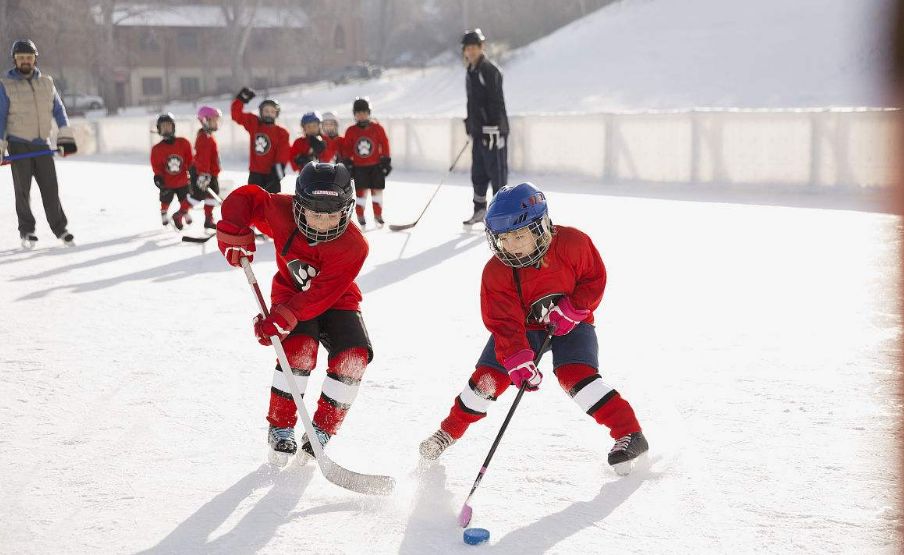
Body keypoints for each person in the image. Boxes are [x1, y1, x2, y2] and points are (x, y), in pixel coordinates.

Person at [419, 182, 649, 475]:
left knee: (575, 376)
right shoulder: (496, 272)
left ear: (540, 227)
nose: (511, 246)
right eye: (503, 238)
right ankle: (447, 432)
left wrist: (575, 307)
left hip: (571, 322)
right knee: (487, 381)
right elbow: (504, 323)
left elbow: (594, 278)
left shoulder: (573, 244)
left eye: (519, 236)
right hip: (523, 328)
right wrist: (516, 359)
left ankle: (629, 433)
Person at [215, 162, 374, 466]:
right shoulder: (281, 211)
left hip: (337, 300)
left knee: (354, 357)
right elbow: (245, 199)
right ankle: (281, 424)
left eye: (332, 215)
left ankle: (322, 430)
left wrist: (283, 319)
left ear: (347, 209)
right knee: (299, 351)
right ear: (299, 205)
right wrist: (233, 232)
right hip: (290, 294)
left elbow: (320, 295)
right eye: (316, 214)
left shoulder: (355, 246)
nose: (324, 223)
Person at [0, 39, 77, 248]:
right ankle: (27, 231)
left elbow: (59, 110)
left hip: (42, 145)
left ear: (35, 59)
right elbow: (1, 118)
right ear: (15, 60)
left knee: (51, 188)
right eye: (21, 58)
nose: (25, 61)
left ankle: (61, 229)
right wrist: (0, 146)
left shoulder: (47, 83)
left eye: (29, 57)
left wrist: (65, 135)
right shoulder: (5, 84)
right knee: (22, 191)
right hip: (18, 144)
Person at [461, 28, 509, 227]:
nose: (470, 51)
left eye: (474, 47)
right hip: (479, 132)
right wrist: (470, 123)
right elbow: (472, 102)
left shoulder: (489, 70)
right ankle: (479, 210)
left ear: (482, 47)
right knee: (478, 172)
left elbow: (496, 102)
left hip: (494, 132)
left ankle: (501, 215)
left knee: (497, 173)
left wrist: (494, 128)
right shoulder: (471, 71)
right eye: (467, 48)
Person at [340, 97, 391, 227]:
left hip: (376, 167)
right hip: (359, 168)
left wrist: (386, 159)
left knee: (377, 193)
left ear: (369, 113)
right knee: (361, 194)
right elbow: (346, 148)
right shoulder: (351, 130)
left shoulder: (377, 128)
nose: (361, 115)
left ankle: (378, 215)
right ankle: (360, 215)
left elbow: (384, 143)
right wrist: (347, 162)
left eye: (364, 112)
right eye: (358, 113)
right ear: (355, 115)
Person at [231, 87, 290, 193]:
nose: (269, 113)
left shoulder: (282, 132)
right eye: (266, 110)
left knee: (272, 203)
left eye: (272, 111)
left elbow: (283, 151)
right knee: (254, 202)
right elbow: (236, 115)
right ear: (261, 112)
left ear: (277, 114)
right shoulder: (254, 124)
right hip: (255, 174)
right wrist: (240, 100)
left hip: (272, 174)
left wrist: (279, 168)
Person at [150, 113, 193, 230]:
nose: (166, 128)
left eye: (168, 126)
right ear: (159, 129)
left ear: (173, 127)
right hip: (167, 182)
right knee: (166, 199)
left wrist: (193, 172)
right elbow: (157, 166)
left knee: (185, 198)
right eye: (163, 126)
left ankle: (184, 212)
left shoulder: (183, 143)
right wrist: (158, 177)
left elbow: (190, 160)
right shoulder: (157, 149)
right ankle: (164, 212)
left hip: (182, 180)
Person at [189, 106, 222, 230]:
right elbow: (202, 158)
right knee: (197, 196)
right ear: (205, 120)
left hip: (211, 174)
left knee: (211, 197)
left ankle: (208, 219)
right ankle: (181, 213)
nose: (216, 122)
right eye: (214, 120)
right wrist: (203, 174)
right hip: (204, 174)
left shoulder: (209, 136)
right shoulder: (204, 138)